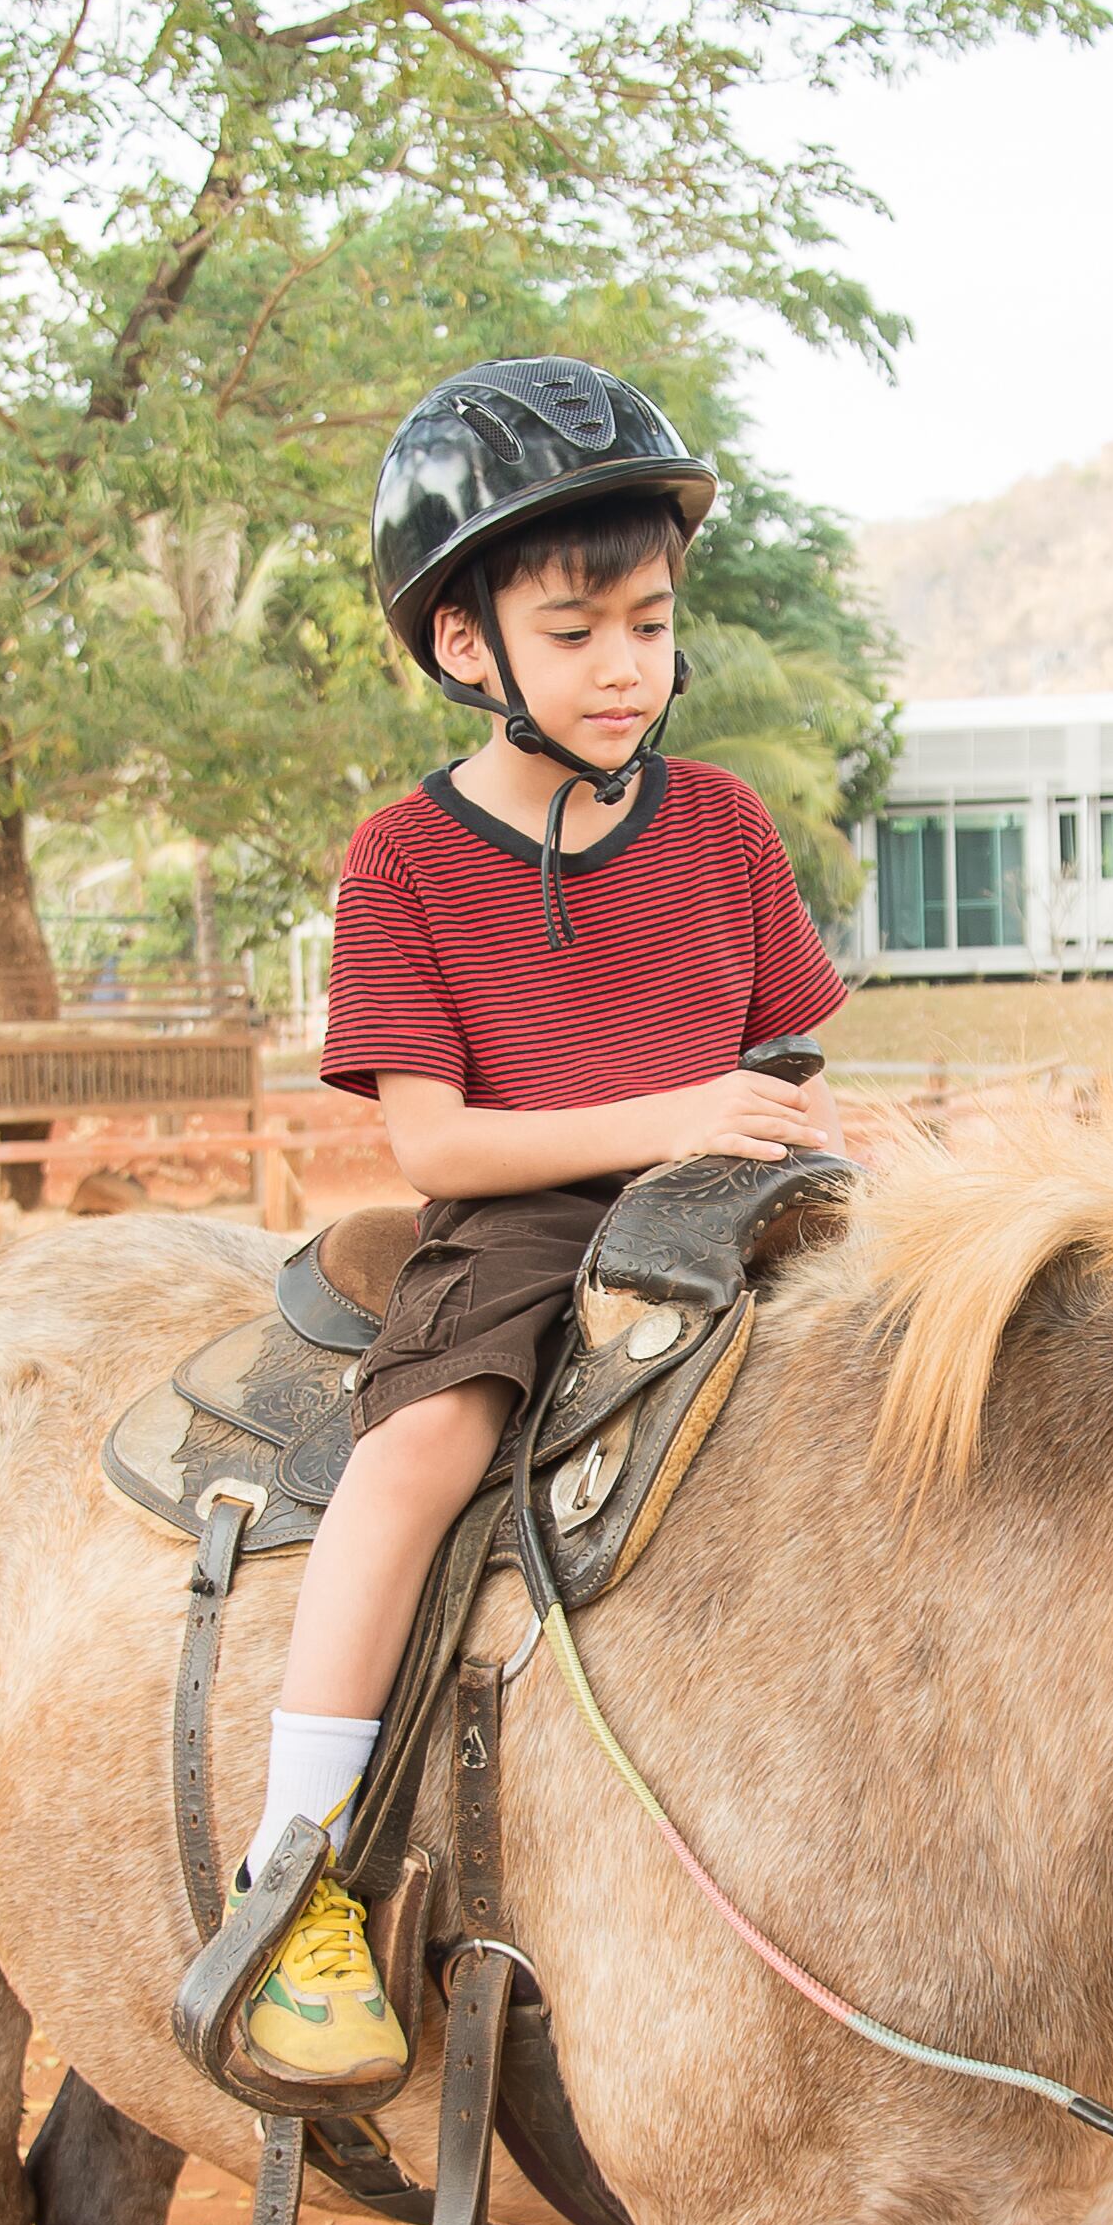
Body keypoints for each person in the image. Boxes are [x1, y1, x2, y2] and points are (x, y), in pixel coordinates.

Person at [219, 358, 845, 2097]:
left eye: (648, 622)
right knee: (419, 1452)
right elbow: (431, 1139)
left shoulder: (720, 822)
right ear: (466, 645)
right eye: (575, 633)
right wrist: (676, 1119)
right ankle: (302, 1872)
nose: (627, 666)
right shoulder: (401, 859)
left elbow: (780, 1050)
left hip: (735, 1190)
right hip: (521, 1216)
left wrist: (801, 1141)